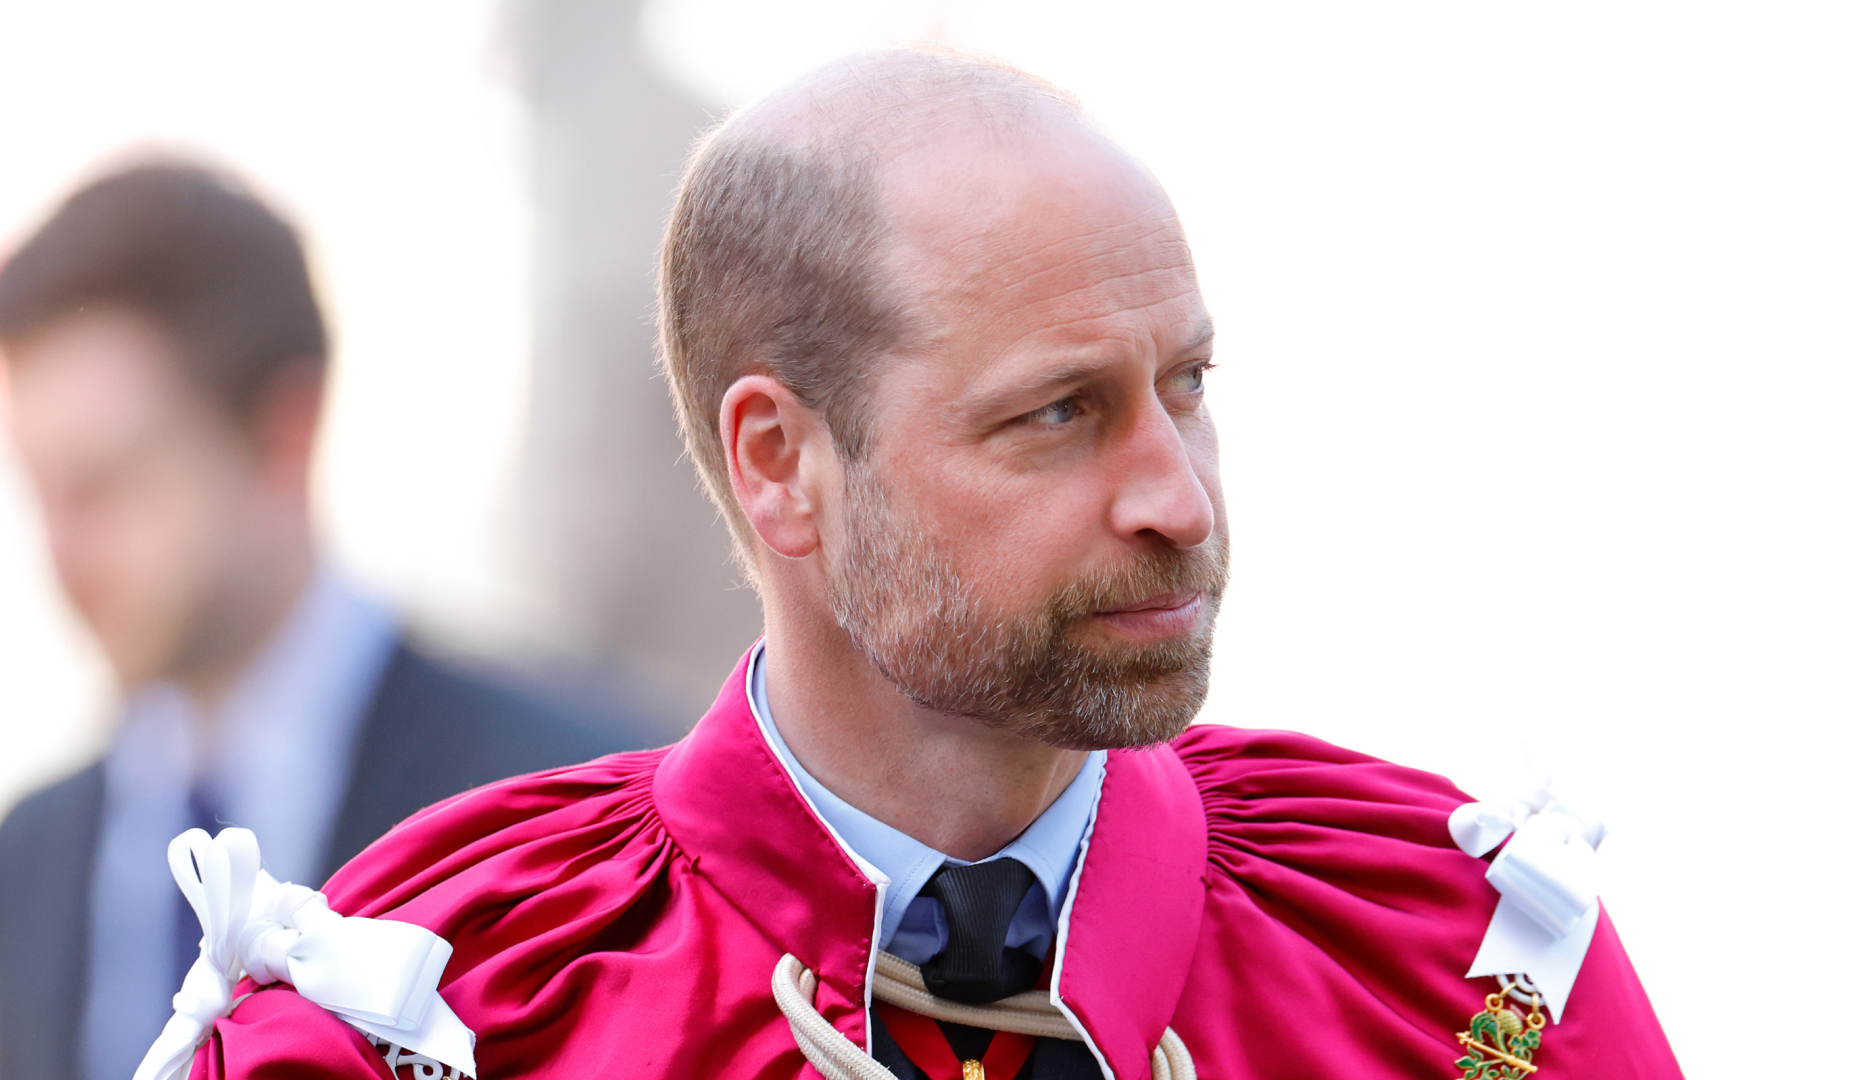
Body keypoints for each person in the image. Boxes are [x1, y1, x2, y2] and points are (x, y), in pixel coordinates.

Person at [162, 51, 1683, 1079]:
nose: (1176, 496)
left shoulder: (1464, 975)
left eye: (1190, 388)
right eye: (1059, 414)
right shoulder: (440, 1011)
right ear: (782, 464)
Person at [0, 163, 648, 1080]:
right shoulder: (23, 863)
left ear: (282, 438)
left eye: (109, 485)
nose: (63, 554)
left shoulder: (576, 814)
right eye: (40, 491)